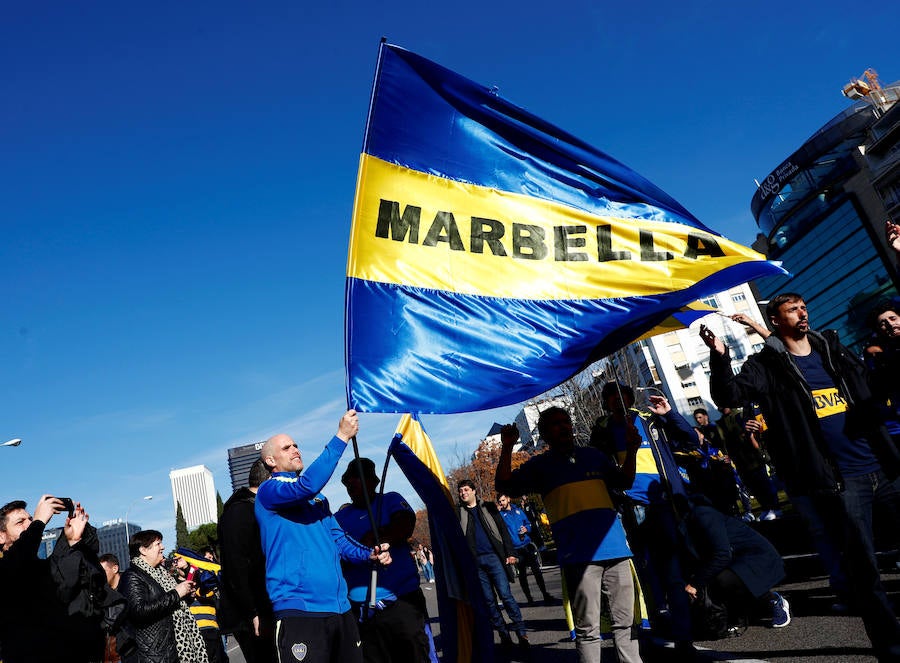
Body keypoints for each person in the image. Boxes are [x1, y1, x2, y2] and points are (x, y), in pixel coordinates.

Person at [700, 292, 900, 661]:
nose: (802, 313)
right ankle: (891, 647)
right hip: (842, 483)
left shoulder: (831, 348)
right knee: (866, 574)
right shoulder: (767, 366)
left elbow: (871, 388)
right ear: (776, 321)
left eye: (803, 307)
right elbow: (728, 393)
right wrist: (720, 356)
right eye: (792, 310)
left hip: (882, 469)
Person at [497, 408, 643, 663]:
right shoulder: (540, 466)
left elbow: (624, 481)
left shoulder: (594, 456)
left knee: (627, 624)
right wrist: (507, 447)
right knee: (588, 630)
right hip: (579, 557)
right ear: (544, 434)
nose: (564, 427)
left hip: (616, 551)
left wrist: (631, 450)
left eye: (566, 421)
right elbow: (505, 486)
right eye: (555, 424)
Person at [255, 410, 392, 663]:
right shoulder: (269, 491)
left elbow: (339, 540)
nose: (296, 449)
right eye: (287, 448)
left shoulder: (318, 500)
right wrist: (341, 436)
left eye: (296, 445)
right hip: (300, 611)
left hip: (340, 608)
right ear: (271, 461)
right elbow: (306, 485)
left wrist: (368, 554)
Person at [589, 383, 697, 655]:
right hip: (629, 509)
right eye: (611, 397)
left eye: (622, 396)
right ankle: (652, 634)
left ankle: (684, 639)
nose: (618, 402)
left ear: (630, 398)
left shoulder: (651, 419)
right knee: (643, 575)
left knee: (673, 573)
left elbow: (690, 440)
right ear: (605, 403)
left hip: (664, 504)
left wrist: (670, 414)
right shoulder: (602, 431)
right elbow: (598, 467)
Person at [334, 457, 429, 663]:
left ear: (372, 481)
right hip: (363, 610)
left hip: (402, 600)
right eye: (347, 482)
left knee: (415, 656)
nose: (350, 486)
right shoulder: (339, 518)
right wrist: (360, 550)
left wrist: (381, 535)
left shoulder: (390, 500)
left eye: (355, 480)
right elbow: (336, 550)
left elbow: (405, 523)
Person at [0, 496, 105, 663]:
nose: (28, 524)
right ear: (1, 536)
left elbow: (64, 572)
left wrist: (71, 540)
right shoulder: (6, 570)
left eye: (30, 519)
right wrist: (39, 522)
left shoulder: (39, 567)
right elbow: (17, 562)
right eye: (20, 522)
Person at [679, 497, 790, 631]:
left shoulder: (704, 514)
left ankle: (773, 601)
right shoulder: (686, 520)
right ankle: (739, 614)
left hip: (757, 558)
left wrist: (695, 583)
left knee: (723, 579)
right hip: (737, 560)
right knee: (714, 578)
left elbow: (723, 555)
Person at [456, 479, 530, 649]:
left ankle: (521, 632)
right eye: (461, 491)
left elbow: (503, 531)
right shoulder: (458, 513)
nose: (463, 493)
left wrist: (510, 553)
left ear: (474, 491)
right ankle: (504, 634)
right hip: (476, 563)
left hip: (494, 558)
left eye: (466, 489)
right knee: (489, 601)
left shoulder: (488, 507)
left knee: (506, 596)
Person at [217, 458, 276, 663]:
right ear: (269, 481)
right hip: (253, 615)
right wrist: (253, 612)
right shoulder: (240, 511)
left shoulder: (255, 508)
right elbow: (237, 567)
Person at [119, 529, 208, 663]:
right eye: (158, 544)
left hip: (172, 650)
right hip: (155, 654)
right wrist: (177, 593)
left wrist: (186, 596)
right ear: (143, 550)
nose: (163, 547)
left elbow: (171, 607)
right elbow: (139, 611)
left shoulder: (161, 573)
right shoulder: (131, 576)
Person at [496, 493, 555, 604]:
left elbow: (529, 524)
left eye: (503, 500)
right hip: (516, 548)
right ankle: (529, 598)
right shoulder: (501, 516)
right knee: (522, 575)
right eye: (499, 502)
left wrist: (526, 529)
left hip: (527, 546)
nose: (501, 503)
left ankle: (545, 594)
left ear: (508, 499)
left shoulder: (518, 511)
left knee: (537, 571)